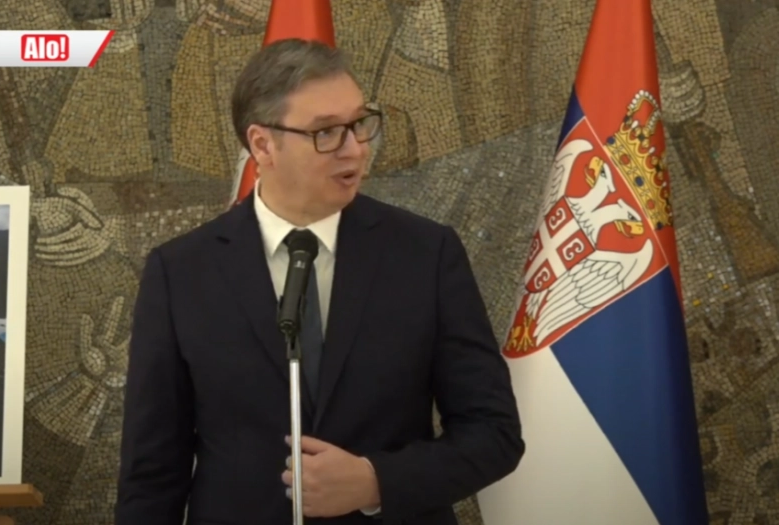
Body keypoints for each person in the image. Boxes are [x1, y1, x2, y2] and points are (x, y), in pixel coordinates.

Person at [116, 38, 524, 525]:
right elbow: (152, 472)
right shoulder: (181, 271)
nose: (355, 148)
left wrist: (376, 481)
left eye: (359, 124)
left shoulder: (426, 254)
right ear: (262, 144)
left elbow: (494, 433)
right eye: (326, 132)